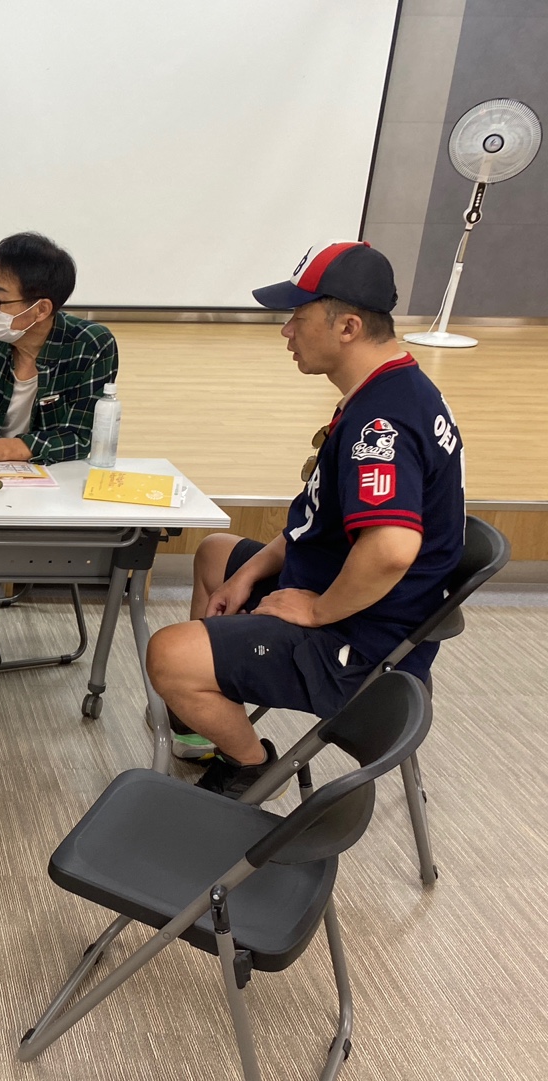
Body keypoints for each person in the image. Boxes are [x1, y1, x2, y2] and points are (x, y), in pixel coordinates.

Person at [146, 242, 465, 797]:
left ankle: (250, 766)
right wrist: (250, 574)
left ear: (347, 327)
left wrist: (316, 610)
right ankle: (205, 713)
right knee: (217, 555)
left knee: (166, 654)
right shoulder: (390, 388)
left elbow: (391, 550)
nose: (287, 331)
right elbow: (319, 521)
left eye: (298, 316)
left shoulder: (381, 424)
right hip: (343, 586)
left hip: (362, 639)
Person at [0, 231, 119, 470]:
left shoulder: (91, 346)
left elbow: (80, 438)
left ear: (41, 309)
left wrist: (0, 449)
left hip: (55, 475)